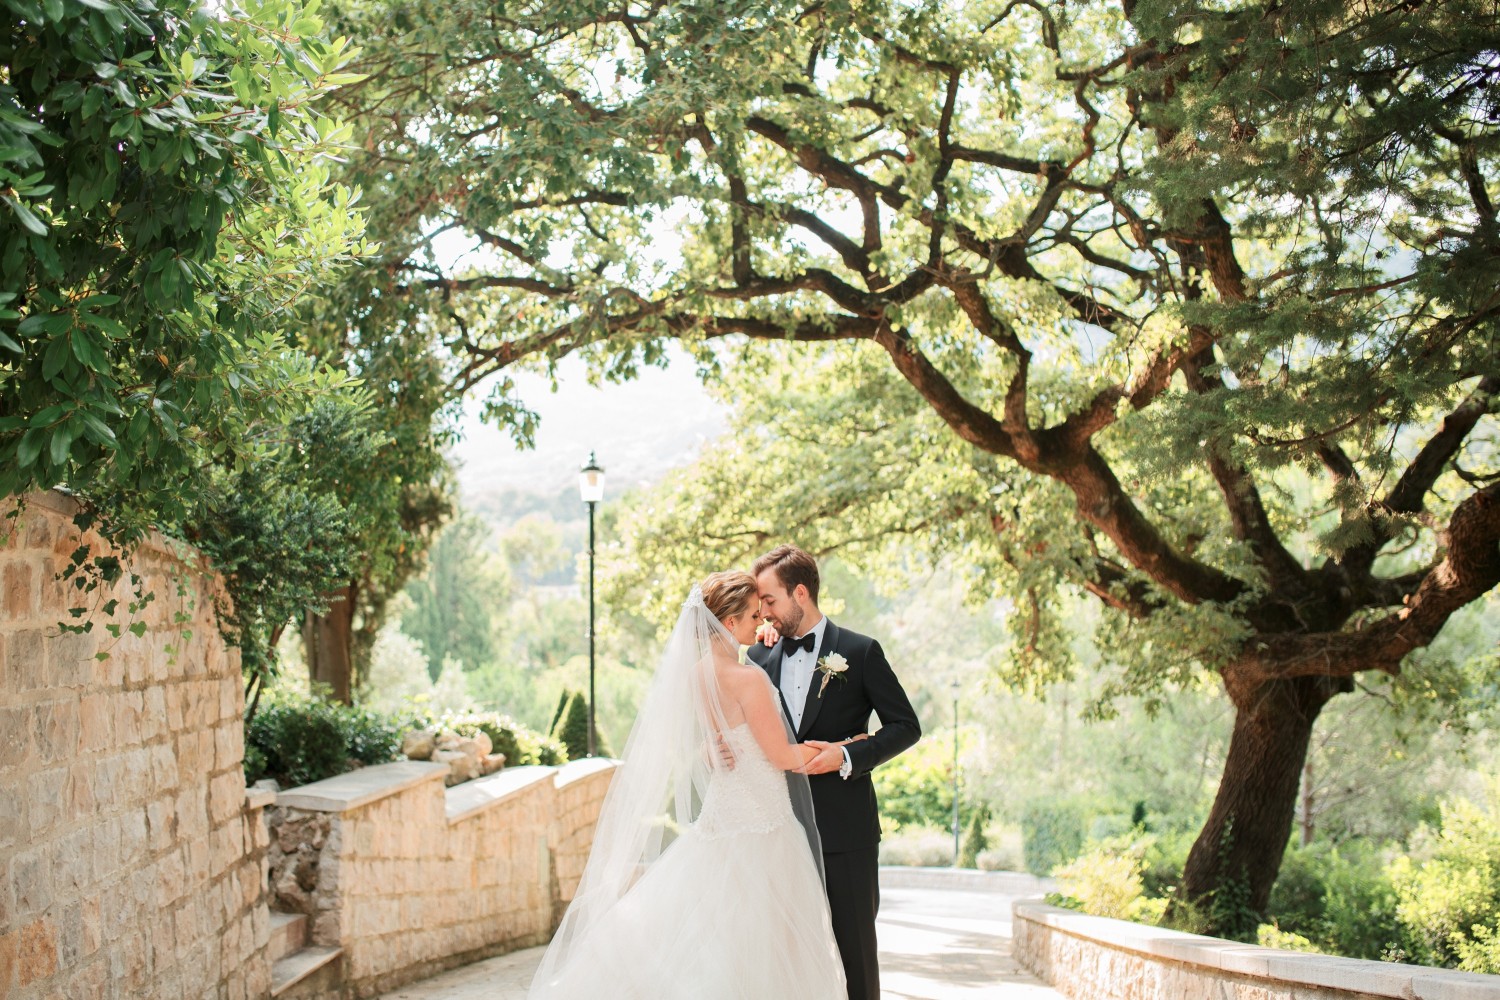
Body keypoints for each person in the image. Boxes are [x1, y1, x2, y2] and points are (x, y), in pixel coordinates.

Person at [526, 570, 847, 1000]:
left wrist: (707, 752)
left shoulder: (697, 674)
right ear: (729, 624)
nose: (761, 623)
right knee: (762, 948)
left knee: (711, 939)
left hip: (719, 820)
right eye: (753, 615)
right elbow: (783, 757)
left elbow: (716, 741)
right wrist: (846, 747)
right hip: (764, 827)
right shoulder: (748, 678)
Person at [748, 544, 922, 1000]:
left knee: (856, 957)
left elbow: (906, 726)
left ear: (799, 593)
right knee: (780, 957)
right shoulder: (756, 660)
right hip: (776, 831)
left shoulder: (860, 652)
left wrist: (846, 757)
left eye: (768, 600)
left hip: (846, 833)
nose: (761, 611)